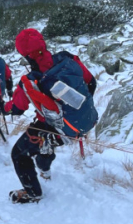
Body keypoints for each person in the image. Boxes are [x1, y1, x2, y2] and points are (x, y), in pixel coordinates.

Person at [5, 28, 97, 203]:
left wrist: (3, 108)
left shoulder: (30, 81)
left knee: (19, 154)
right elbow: (91, 82)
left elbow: (17, 108)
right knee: (44, 139)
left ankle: (33, 193)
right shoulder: (69, 59)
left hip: (58, 128)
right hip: (87, 120)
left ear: (26, 56)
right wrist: (79, 110)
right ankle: (45, 167)